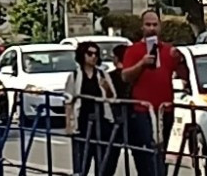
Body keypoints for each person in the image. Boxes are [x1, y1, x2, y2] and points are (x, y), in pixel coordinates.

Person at [117, 9, 183, 176]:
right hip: (143, 110)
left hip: (165, 109)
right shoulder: (133, 50)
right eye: (148, 24)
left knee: (162, 150)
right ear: (142, 27)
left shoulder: (168, 50)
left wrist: (180, 59)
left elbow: (184, 75)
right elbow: (125, 76)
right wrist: (142, 63)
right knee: (148, 149)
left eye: (155, 24)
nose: (152, 28)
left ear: (160, 27)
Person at [71, 41, 124, 176]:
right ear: (82, 55)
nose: (93, 57)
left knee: (102, 161)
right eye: (90, 53)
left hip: (102, 121)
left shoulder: (102, 75)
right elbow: (68, 100)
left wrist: (106, 87)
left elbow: (113, 97)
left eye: (96, 54)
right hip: (82, 122)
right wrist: (69, 124)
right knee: (82, 161)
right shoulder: (75, 76)